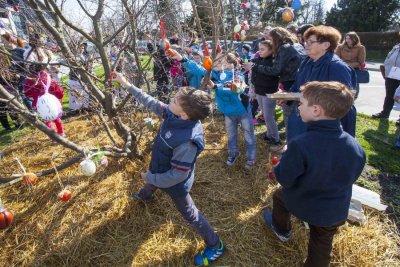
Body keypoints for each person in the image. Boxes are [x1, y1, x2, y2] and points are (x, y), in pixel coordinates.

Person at [110, 72, 224, 267]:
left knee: (190, 213)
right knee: (151, 179)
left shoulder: (187, 142)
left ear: (185, 115)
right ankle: (146, 194)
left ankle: (215, 244)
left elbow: (177, 174)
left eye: (173, 100)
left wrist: (152, 177)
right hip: (159, 166)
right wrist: (126, 83)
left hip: (176, 184)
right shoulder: (174, 115)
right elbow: (151, 102)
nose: (169, 101)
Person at [262, 81, 366, 267]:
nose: (299, 108)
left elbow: (285, 178)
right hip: (334, 210)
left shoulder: (301, 144)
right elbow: (352, 175)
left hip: (304, 203)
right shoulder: (355, 146)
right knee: (321, 243)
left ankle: (281, 230)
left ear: (316, 110)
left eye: (301, 104)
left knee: (279, 197)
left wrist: (278, 167)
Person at [287, 25, 357, 141]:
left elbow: (343, 101)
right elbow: (297, 87)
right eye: (305, 41)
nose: (306, 44)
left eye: (311, 42)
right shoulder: (306, 62)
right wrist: (286, 95)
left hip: (321, 127)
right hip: (301, 119)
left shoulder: (337, 67)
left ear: (326, 45)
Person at [207, 55, 257, 169]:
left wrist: (215, 87)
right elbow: (203, 71)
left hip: (242, 110)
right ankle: (233, 153)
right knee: (231, 135)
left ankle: (251, 158)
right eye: (217, 62)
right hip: (228, 111)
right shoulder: (215, 74)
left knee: (248, 135)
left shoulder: (238, 74)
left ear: (231, 64)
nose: (218, 64)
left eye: (221, 62)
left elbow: (235, 89)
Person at [250, 40, 280, 145]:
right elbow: (253, 75)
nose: (260, 51)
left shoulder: (274, 62)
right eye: (259, 49)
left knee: (268, 116)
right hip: (259, 91)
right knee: (264, 114)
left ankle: (276, 138)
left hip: (269, 92)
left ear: (271, 50)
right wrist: (253, 89)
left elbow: (273, 74)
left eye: (263, 49)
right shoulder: (258, 60)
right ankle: (269, 134)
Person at [24, 69, 65, 137]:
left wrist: (36, 95)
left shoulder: (29, 81)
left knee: (47, 120)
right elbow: (60, 94)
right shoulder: (50, 80)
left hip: (39, 105)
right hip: (53, 104)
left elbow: (27, 93)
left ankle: (55, 136)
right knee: (56, 118)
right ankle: (61, 133)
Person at [372, 41, 400, 121]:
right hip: (392, 74)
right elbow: (388, 58)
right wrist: (385, 68)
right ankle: (385, 113)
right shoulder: (396, 46)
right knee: (389, 95)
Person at [335, 31, 366, 97]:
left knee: (354, 85)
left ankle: (353, 98)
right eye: (346, 38)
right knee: (341, 85)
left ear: (355, 39)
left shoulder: (360, 48)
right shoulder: (340, 47)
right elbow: (336, 58)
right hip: (342, 68)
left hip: (354, 69)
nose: (347, 40)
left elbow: (361, 61)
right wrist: (343, 65)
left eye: (349, 38)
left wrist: (349, 65)